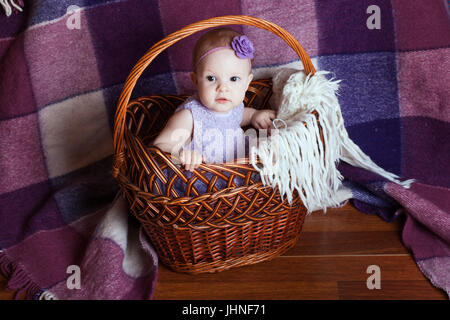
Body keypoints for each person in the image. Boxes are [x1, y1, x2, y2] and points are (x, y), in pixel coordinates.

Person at [153, 28, 275, 172]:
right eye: (211, 78)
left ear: (247, 83)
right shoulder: (190, 115)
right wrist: (181, 155)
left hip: (239, 174)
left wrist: (254, 115)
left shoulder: (234, 106)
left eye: (234, 79)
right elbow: (159, 146)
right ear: (196, 80)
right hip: (203, 181)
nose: (223, 88)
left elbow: (239, 116)